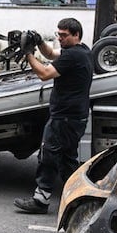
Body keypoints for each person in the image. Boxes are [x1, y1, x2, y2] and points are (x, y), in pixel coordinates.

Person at [14, 17, 93, 214]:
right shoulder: (82, 51)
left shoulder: (73, 56)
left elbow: (44, 74)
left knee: (48, 155)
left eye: (64, 35)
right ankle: (79, 200)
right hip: (73, 117)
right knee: (67, 160)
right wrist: (40, 41)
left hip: (64, 118)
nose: (60, 38)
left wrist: (28, 54)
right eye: (58, 34)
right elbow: (51, 54)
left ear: (76, 35)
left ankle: (41, 201)